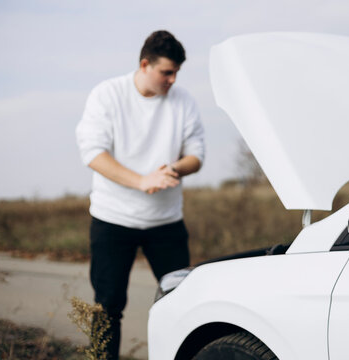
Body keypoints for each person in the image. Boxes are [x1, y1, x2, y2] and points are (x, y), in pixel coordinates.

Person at [76, 30, 205, 359]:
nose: (173, 79)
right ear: (145, 64)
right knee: (108, 307)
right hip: (112, 219)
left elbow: (196, 155)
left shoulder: (184, 101)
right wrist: (140, 181)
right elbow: (93, 153)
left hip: (166, 223)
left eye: (177, 72)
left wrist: (171, 170)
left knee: (182, 301)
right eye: (167, 72)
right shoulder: (107, 94)